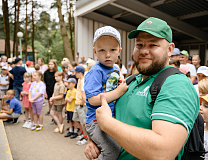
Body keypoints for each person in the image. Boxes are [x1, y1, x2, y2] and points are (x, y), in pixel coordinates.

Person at [85, 17, 199, 160]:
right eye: (139, 45)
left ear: (170, 49)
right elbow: (100, 111)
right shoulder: (129, 81)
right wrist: (94, 139)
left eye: (152, 45)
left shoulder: (176, 84)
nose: (144, 51)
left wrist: (107, 123)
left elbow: (162, 152)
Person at [84, 26, 127, 158]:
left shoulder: (115, 68)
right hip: (96, 121)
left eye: (112, 50)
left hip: (109, 118)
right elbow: (92, 100)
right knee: (112, 150)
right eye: (102, 50)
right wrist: (118, 92)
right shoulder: (96, 71)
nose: (108, 55)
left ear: (119, 51)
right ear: (95, 51)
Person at [73, 66, 88, 145]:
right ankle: (83, 133)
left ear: (80, 73)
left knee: (83, 121)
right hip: (77, 102)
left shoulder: (83, 81)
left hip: (81, 104)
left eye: (76, 72)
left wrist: (82, 103)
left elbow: (83, 94)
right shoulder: (79, 80)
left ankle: (85, 137)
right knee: (76, 119)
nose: (74, 74)